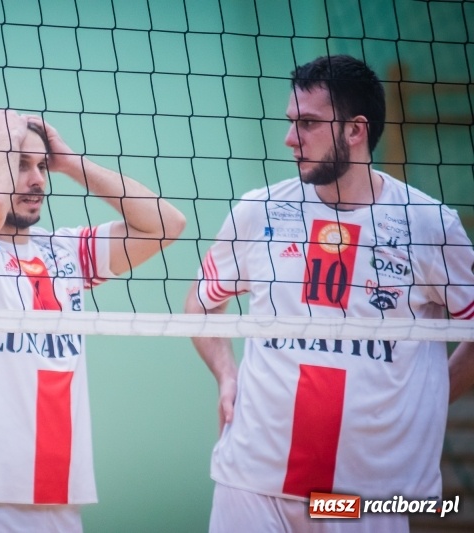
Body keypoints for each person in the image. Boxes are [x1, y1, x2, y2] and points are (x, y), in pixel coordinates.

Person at [184, 55, 474, 532]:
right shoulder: (260, 212)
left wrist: (433, 397)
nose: (290, 138)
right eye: (291, 122)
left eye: (308, 123)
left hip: (365, 495)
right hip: (253, 479)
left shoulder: (429, 225)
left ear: (355, 131)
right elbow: (200, 302)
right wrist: (226, 375)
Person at [0, 109, 185, 532]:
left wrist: (68, 162)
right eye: (20, 165)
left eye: (41, 167)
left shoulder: (65, 251)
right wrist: (6, 135)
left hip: (58, 497)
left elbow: (166, 225)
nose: (38, 180)